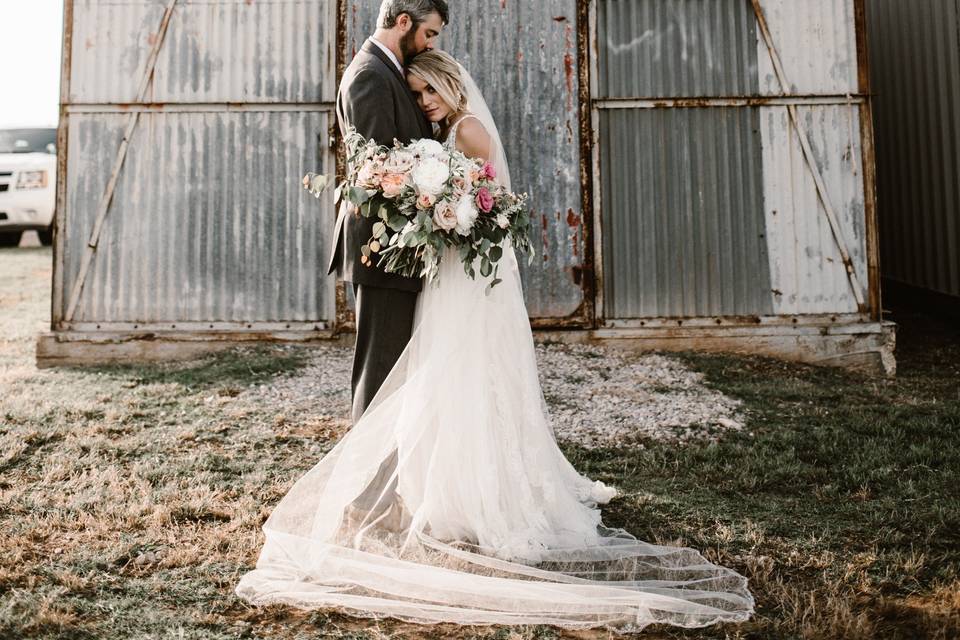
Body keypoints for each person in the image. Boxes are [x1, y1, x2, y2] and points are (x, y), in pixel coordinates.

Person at [236, 49, 755, 633]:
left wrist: (451, 213)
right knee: (447, 370)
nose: (424, 104)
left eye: (429, 93)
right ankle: (445, 482)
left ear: (450, 86)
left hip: (477, 273)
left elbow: (496, 206)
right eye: (418, 96)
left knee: (471, 368)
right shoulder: (441, 135)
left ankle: (478, 491)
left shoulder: (470, 130)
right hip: (454, 270)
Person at [325, 0, 448, 424]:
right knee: (380, 370)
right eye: (428, 33)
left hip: (398, 245)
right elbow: (381, 171)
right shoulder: (369, 76)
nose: (430, 44)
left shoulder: (386, 71)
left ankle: (390, 474)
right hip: (382, 246)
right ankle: (368, 484)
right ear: (402, 22)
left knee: (396, 367)